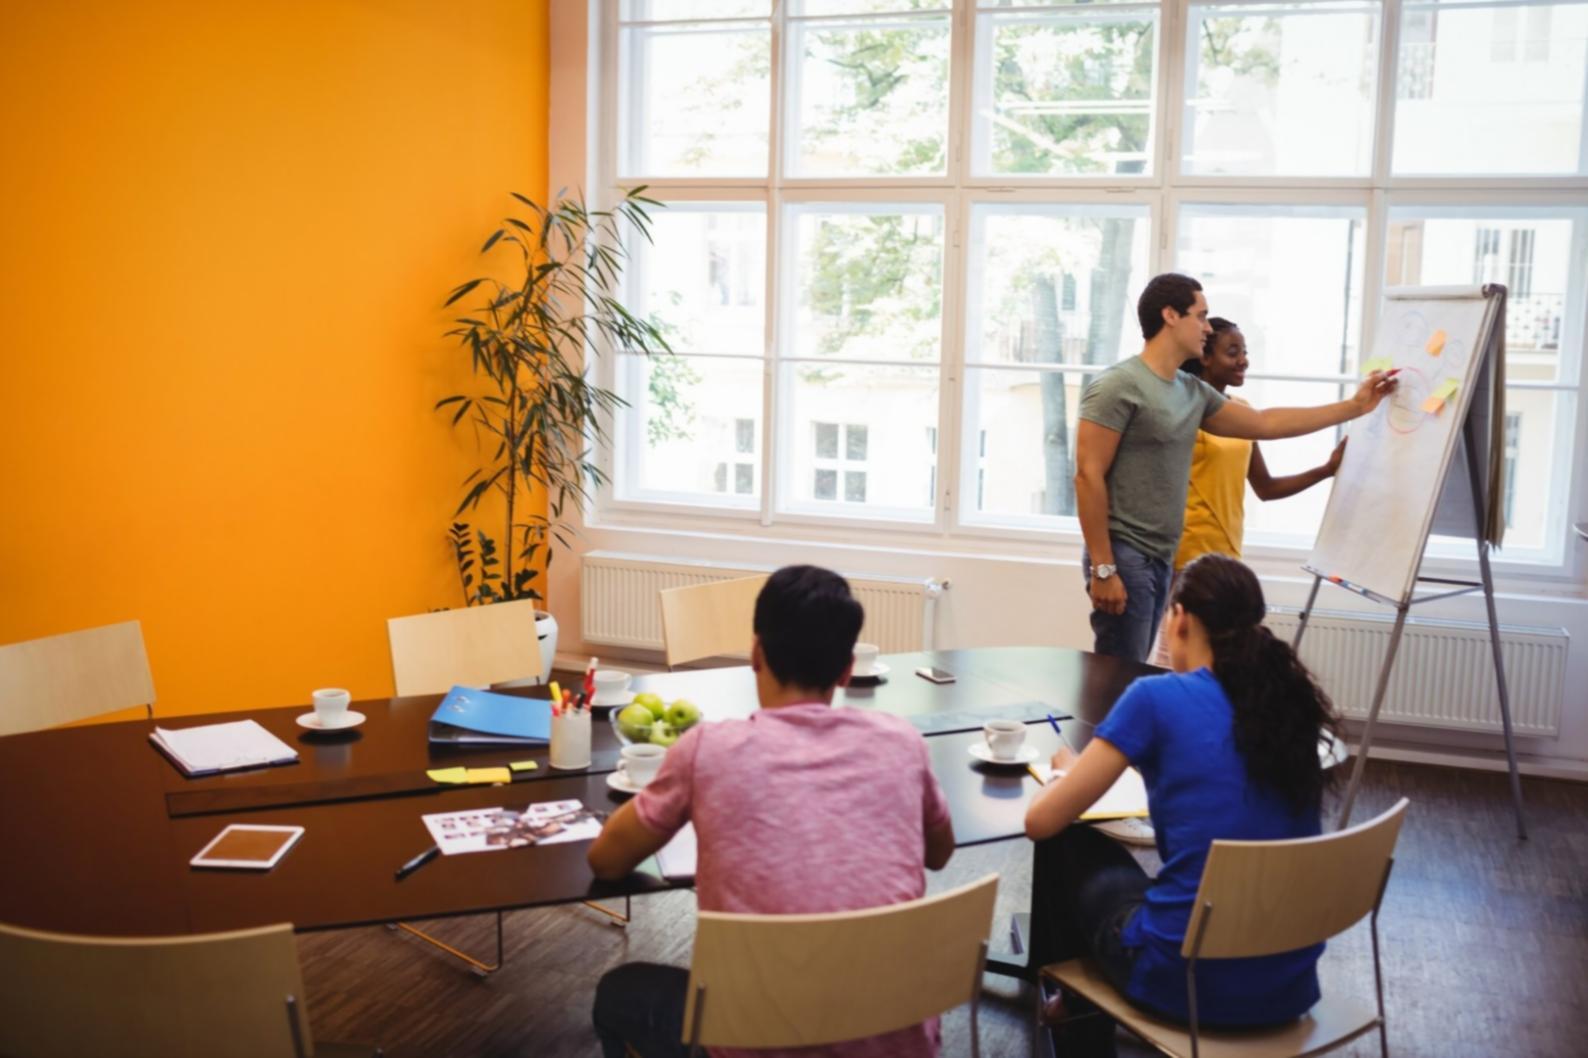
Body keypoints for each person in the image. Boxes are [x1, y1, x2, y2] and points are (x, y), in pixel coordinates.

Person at [587, 564, 957, 1058]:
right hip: (895, 1040)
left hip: (754, 1041)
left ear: (756, 653)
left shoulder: (707, 749)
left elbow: (606, 861)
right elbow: (939, 853)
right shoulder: (902, 742)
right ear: (847, 668)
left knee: (619, 992)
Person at [1024, 554, 1342, 1055]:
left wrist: (1065, 773)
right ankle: (1073, 1002)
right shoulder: (1289, 705)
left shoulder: (1156, 698)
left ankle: (1079, 1025)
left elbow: (1040, 821)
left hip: (1184, 980)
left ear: (1179, 618)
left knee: (1066, 839)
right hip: (1288, 985)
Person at [1075, 273, 1397, 662]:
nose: (1207, 327)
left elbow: (1265, 423)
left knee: (1137, 672)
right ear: (1170, 316)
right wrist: (1104, 568)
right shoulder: (1118, 385)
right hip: (1126, 555)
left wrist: (1356, 406)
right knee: (1119, 675)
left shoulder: (1190, 392)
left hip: (1161, 555)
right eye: (1200, 316)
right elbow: (1088, 476)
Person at [1147, 317, 1346, 666]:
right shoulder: (1183, 410)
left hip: (1225, 556)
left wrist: (1326, 470)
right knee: (1172, 659)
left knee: (1214, 662)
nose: (1243, 360)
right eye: (1232, 352)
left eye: (1245, 351)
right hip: (1183, 556)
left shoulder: (1240, 412)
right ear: (1205, 357)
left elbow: (1266, 488)